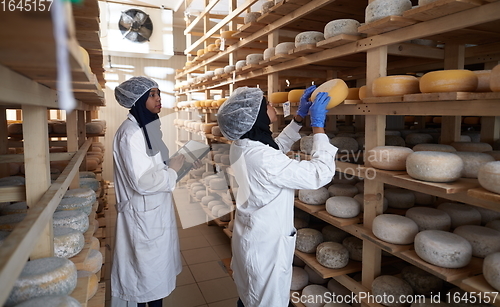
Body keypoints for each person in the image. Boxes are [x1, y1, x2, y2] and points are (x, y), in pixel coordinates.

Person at [217, 86, 338, 307]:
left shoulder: (243, 145)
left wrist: (299, 119)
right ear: (255, 116)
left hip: (254, 236)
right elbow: (319, 174)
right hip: (265, 246)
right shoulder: (261, 158)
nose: (272, 106)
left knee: (250, 296)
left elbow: (275, 149)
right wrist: (318, 127)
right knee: (264, 301)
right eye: (267, 104)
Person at [111, 76, 186, 307]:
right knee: (147, 279)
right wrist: (172, 171)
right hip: (142, 217)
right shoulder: (130, 134)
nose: (158, 99)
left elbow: (154, 167)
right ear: (139, 99)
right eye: (152, 95)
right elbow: (142, 182)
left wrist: (180, 166)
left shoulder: (147, 128)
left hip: (154, 213)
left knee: (153, 278)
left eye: (158, 94)